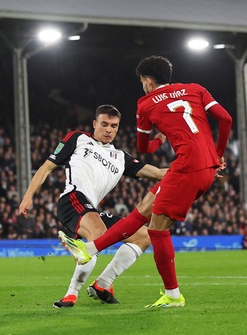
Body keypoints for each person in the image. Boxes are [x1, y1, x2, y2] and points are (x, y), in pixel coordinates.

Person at [60, 56, 233, 308]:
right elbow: (226, 119)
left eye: (142, 81)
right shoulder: (196, 89)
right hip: (202, 166)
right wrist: (218, 154)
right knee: (144, 208)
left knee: (157, 229)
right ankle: (90, 250)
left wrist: (159, 139)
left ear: (148, 81)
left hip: (186, 166)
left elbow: (144, 148)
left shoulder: (146, 103)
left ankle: (173, 296)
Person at [18, 104, 167, 307]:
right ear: (95, 124)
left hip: (92, 210)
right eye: (104, 124)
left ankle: (103, 284)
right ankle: (71, 294)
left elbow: (159, 173)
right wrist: (28, 196)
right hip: (72, 200)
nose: (109, 130)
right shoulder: (78, 139)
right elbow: (46, 167)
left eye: (114, 126)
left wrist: (200, 168)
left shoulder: (121, 157)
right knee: (98, 235)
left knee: (143, 236)